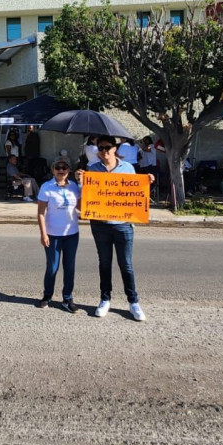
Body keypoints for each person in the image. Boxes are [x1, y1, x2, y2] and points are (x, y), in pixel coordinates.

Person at [79, 134, 151, 322]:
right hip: (100, 225)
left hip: (123, 225)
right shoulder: (92, 169)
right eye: (100, 148)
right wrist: (81, 181)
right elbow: (86, 199)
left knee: (126, 265)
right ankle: (105, 298)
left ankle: (133, 301)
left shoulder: (128, 168)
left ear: (114, 149)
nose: (103, 151)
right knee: (104, 263)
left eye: (107, 147)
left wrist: (147, 182)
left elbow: (135, 193)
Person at [36, 158, 81, 312]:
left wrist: (83, 185)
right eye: (58, 167)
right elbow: (41, 212)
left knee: (69, 267)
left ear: (69, 170)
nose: (61, 170)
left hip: (71, 234)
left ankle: (67, 298)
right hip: (53, 234)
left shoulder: (74, 186)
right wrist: (43, 234)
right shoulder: (46, 187)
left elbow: (82, 208)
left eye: (65, 167)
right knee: (52, 267)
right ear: (53, 169)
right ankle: (47, 295)